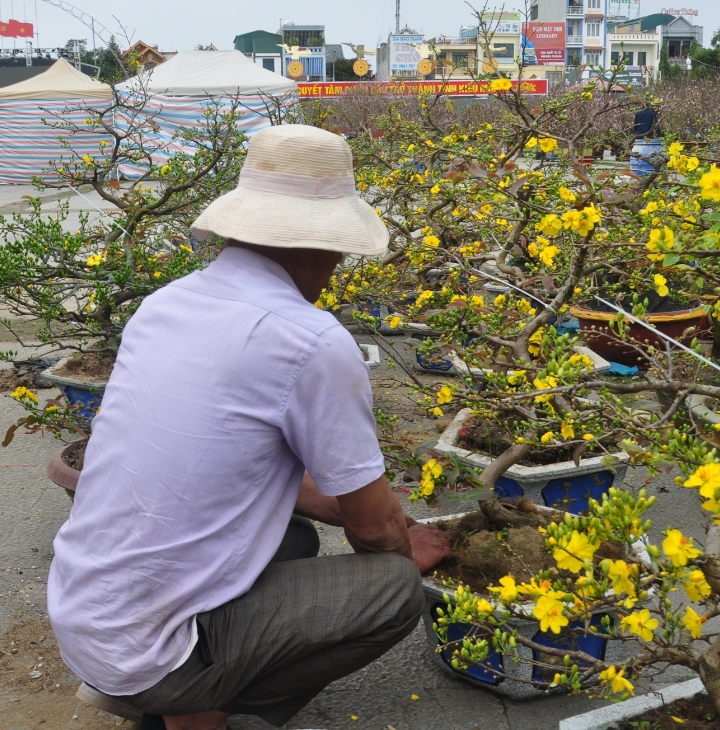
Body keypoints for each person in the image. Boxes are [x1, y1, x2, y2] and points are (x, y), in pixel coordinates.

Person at [48, 124, 452, 730]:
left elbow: (224, 461)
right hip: (146, 651)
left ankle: (156, 691)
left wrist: (348, 509)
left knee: (294, 540)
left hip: (85, 613)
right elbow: (374, 531)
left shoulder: (166, 304)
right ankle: (191, 707)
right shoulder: (311, 340)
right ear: (323, 244)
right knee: (393, 588)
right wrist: (402, 548)